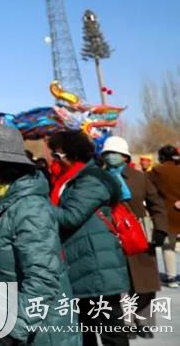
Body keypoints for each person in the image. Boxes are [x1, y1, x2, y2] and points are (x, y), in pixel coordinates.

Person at [0, 124, 79, 344]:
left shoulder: (29, 207)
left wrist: (14, 326)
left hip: (34, 331)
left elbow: (43, 277)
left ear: (0, 164)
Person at [48, 130, 129, 346]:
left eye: (57, 155)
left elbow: (70, 217)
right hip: (81, 261)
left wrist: (37, 203)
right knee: (85, 330)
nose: (54, 160)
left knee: (111, 331)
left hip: (97, 264)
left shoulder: (91, 180)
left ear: (73, 154)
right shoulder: (70, 179)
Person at [100, 136, 168, 338]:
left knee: (145, 283)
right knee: (120, 285)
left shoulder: (140, 178)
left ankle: (143, 321)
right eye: (108, 153)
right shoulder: (99, 178)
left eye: (115, 153)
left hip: (139, 236)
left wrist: (160, 229)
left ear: (125, 156)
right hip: (111, 236)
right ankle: (126, 323)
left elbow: (156, 204)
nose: (111, 156)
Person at [149, 145, 180, 288]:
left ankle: (171, 277)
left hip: (167, 214)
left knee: (168, 247)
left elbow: (147, 187)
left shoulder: (157, 171)